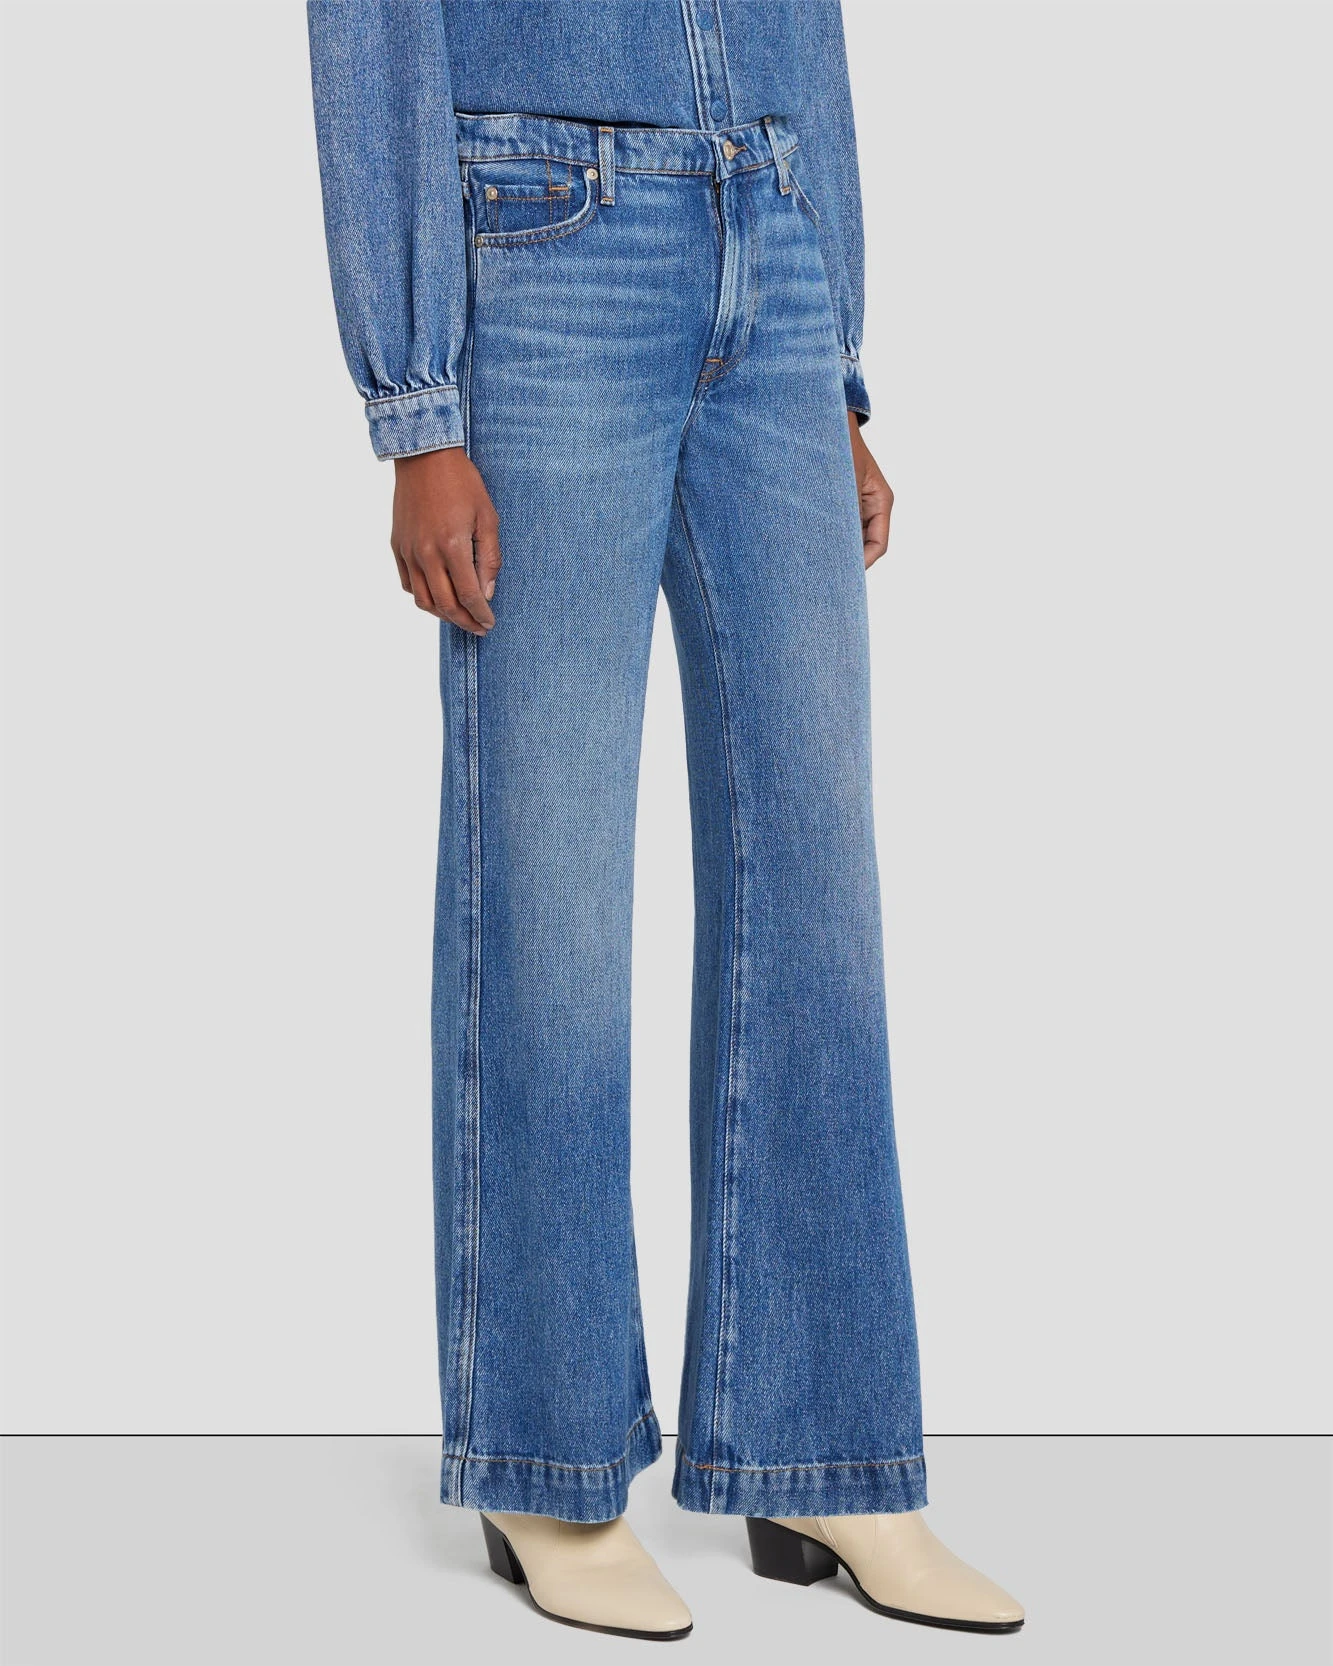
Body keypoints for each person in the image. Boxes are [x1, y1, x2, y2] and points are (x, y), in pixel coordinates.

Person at [307, 0, 1023, 1641]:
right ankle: (548, 1461)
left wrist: (834, 355)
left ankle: (826, 1451)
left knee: (818, 883)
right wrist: (417, 402)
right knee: (550, 879)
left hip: (767, 225)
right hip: (545, 244)